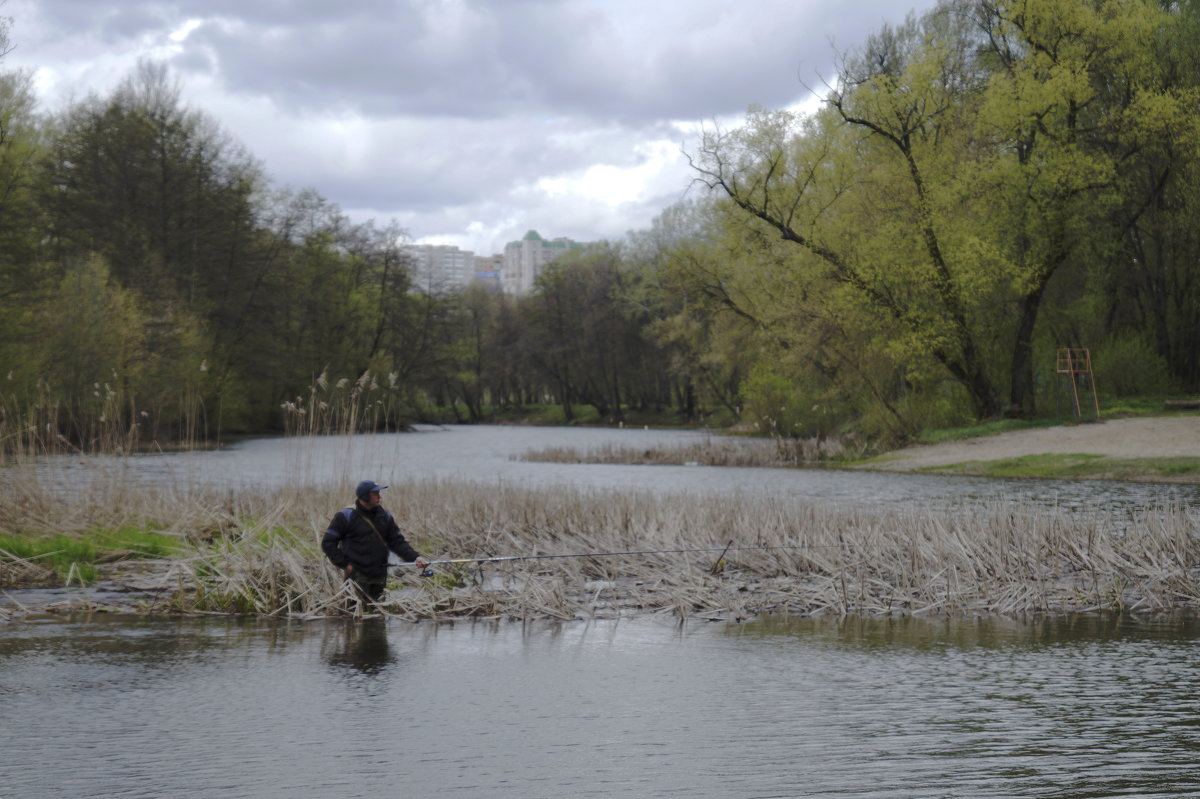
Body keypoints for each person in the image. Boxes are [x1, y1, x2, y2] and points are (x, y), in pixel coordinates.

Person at [322, 480, 428, 604]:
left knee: (377, 617)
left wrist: (416, 558)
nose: (379, 496)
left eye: (379, 493)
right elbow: (328, 543)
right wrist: (346, 565)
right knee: (355, 616)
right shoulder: (345, 516)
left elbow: (398, 542)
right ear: (364, 495)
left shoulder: (385, 516)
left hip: (379, 576)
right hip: (357, 577)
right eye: (375, 493)